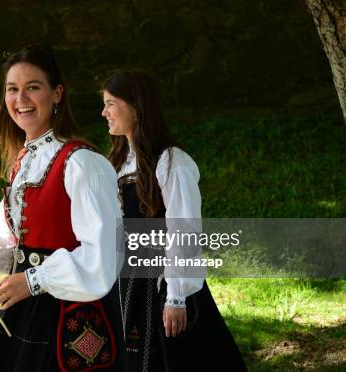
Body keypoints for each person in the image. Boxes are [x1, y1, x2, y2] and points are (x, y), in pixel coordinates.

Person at [0, 46, 125, 371]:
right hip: (25, 312)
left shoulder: (83, 163)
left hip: (71, 323)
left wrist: (31, 280)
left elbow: (102, 258)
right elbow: (29, 248)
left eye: (33, 87)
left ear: (57, 93)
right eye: (12, 89)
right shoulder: (24, 160)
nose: (20, 99)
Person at [101, 71, 247, 371]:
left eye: (111, 103)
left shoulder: (171, 163)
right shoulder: (119, 163)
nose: (104, 112)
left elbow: (184, 231)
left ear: (136, 108)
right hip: (129, 287)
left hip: (162, 286)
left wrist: (176, 297)